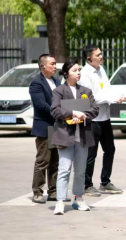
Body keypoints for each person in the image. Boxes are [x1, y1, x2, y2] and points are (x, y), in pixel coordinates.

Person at [50, 58, 99, 215]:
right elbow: (55, 110)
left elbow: (95, 109)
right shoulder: (59, 91)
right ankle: (60, 201)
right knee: (64, 169)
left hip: (82, 136)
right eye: (75, 70)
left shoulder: (86, 91)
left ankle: (78, 199)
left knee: (80, 171)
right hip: (65, 136)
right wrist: (72, 113)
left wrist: (83, 115)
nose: (78, 73)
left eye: (79, 70)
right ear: (66, 73)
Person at [79, 44, 125, 197]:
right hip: (93, 119)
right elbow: (90, 98)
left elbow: (107, 89)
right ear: (89, 58)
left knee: (110, 149)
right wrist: (111, 99)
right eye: (97, 55)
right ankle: (87, 184)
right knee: (91, 153)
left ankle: (105, 182)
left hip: (105, 117)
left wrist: (117, 97)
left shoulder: (101, 70)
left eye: (101, 54)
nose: (101, 57)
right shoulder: (85, 74)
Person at [29, 54, 60, 204]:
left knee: (55, 161)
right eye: (52, 64)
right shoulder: (36, 83)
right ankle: (37, 192)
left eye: (55, 64)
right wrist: (59, 112)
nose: (55, 66)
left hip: (57, 126)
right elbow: (41, 105)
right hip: (44, 126)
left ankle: (53, 191)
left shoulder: (56, 81)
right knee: (43, 160)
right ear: (43, 66)